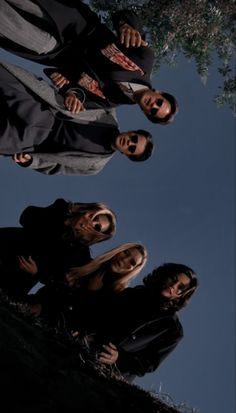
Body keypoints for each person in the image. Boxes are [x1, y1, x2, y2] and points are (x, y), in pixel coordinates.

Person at [0, 1, 178, 124]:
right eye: (159, 103)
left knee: (6, 22)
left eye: (153, 111)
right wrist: (126, 25)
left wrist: (69, 93)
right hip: (72, 22)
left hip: (53, 51)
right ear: (160, 93)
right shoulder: (145, 59)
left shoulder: (109, 102)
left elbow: (75, 93)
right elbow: (125, 16)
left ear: (146, 114)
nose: (153, 105)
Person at [27, 262, 198, 382]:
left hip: (105, 374)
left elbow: (149, 364)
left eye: (181, 287)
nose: (174, 286)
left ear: (181, 295)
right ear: (164, 276)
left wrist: (119, 358)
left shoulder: (172, 330)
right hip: (78, 348)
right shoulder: (131, 294)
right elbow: (97, 314)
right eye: (173, 279)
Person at [0, 62, 154, 175]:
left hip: (31, 141)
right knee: (4, 76)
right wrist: (72, 94)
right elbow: (82, 88)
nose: (130, 142)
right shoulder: (108, 112)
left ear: (127, 155)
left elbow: (57, 167)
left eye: (132, 148)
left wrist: (31, 161)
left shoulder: (95, 165)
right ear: (131, 131)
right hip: (42, 110)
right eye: (134, 138)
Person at [0, 198, 116, 298]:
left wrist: (37, 272)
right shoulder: (60, 209)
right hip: (8, 244)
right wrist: (66, 221)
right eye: (93, 216)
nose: (91, 223)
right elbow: (26, 217)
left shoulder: (80, 254)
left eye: (97, 227)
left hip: (19, 275)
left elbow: (58, 278)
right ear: (88, 211)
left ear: (97, 235)